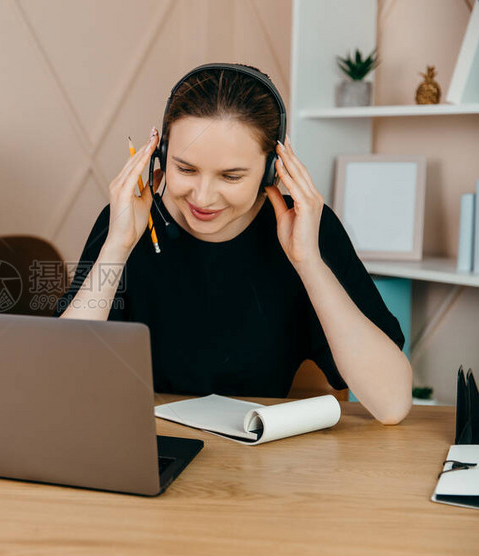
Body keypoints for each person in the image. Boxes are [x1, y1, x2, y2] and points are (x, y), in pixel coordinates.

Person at [54, 64, 412, 425]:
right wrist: (117, 245)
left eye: (231, 176)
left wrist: (309, 262)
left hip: (260, 464)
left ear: (273, 169)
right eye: (185, 169)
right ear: (159, 155)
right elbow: (58, 382)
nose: (203, 197)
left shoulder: (308, 228)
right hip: (149, 448)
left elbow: (392, 404)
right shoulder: (125, 221)